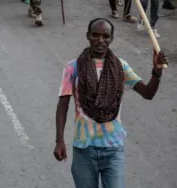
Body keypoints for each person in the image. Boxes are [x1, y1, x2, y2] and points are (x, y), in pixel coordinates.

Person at [54, 18, 166, 188]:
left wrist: (156, 72)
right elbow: (63, 104)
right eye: (95, 35)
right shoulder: (73, 68)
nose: (100, 40)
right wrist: (59, 140)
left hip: (113, 148)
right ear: (88, 36)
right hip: (84, 148)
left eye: (106, 36)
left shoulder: (121, 67)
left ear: (111, 39)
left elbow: (147, 93)